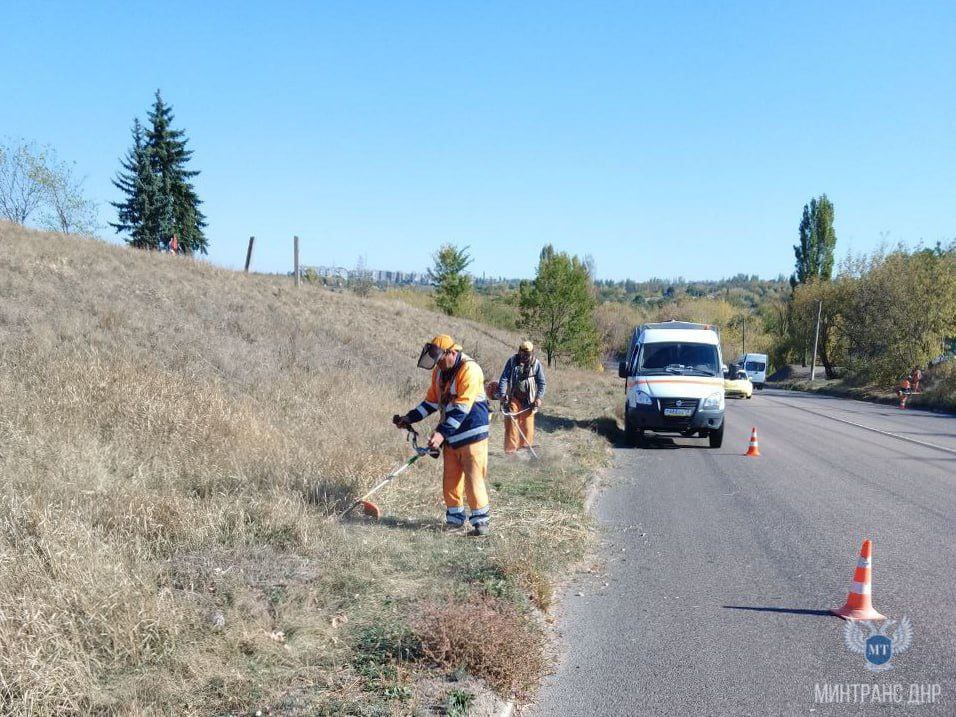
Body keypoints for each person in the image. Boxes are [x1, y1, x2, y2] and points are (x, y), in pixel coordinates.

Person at [393, 335, 492, 536]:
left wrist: (439, 435)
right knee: (450, 479)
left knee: (473, 478)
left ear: (452, 352)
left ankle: (481, 523)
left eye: (440, 359)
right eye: (435, 360)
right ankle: (455, 520)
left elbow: (461, 408)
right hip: (451, 435)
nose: (438, 364)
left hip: (473, 431)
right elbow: (431, 402)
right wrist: (409, 418)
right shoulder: (439, 372)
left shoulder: (470, 370)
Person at [498, 340, 547, 454]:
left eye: (527, 353)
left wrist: (538, 398)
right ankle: (511, 452)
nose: (524, 355)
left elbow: (542, 383)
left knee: (527, 427)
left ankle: (524, 450)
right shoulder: (512, 361)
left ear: (531, 353)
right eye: (522, 352)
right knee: (511, 425)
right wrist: (502, 394)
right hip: (514, 398)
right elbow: (504, 378)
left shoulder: (536, 364)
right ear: (519, 351)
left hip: (529, 401)